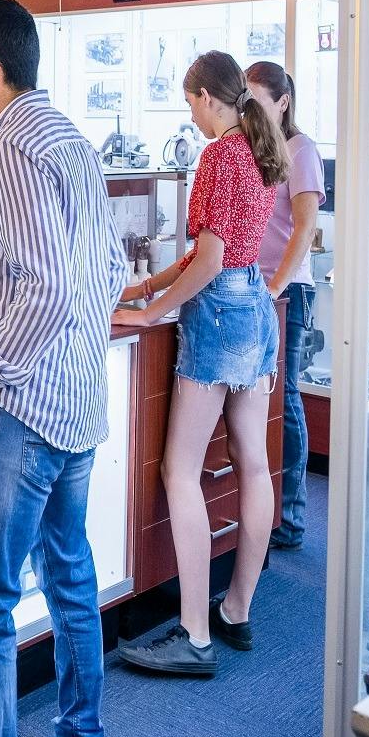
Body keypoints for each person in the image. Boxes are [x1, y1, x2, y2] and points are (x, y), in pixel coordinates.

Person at [0, 0, 127, 737]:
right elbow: (110, 269)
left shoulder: (15, 153)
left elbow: (45, 286)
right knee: (70, 581)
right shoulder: (72, 142)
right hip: (78, 402)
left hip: (21, 414)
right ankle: (80, 734)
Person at [114, 50, 288, 677]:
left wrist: (152, 312)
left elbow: (208, 261)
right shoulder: (264, 150)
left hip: (218, 313)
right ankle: (236, 611)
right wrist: (143, 291)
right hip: (256, 306)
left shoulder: (218, 156)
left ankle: (193, 635)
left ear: (209, 98)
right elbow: (218, 257)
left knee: (180, 473)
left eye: (190, 103)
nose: (190, 116)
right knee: (256, 466)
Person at [245, 61, 324, 550]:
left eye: (257, 98)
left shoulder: (301, 150)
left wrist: (275, 287)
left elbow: (303, 228)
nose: (249, 108)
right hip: (254, 289)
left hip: (287, 291)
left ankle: (291, 517)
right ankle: (264, 511)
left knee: (285, 398)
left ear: (283, 101)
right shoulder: (253, 151)